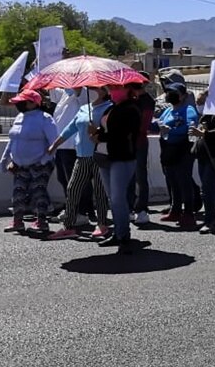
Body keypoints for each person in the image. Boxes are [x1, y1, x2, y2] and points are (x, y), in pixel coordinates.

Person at [46, 86, 112, 240]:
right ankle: (68, 226)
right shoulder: (84, 108)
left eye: (95, 88)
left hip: (99, 155)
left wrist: (96, 130)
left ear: (103, 92)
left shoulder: (109, 109)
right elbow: (70, 129)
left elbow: (110, 130)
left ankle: (102, 224)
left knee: (100, 192)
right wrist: (54, 145)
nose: (92, 90)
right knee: (73, 188)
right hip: (81, 156)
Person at [92, 85, 143, 254]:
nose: (112, 91)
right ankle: (118, 233)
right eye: (111, 89)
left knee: (118, 198)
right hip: (105, 156)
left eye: (116, 89)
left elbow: (122, 134)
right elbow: (107, 129)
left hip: (122, 157)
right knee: (112, 198)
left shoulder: (132, 109)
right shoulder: (112, 108)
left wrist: (100, 136)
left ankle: (124, 236)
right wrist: (97, 131)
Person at [0, 88, 57, 233]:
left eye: (22, 102)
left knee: (39, 191)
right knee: (18, 192)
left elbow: (54, 142)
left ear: (32, 103)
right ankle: (17, 221)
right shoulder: (20, 117)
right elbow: (13, 140)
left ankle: (42, 222)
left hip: (40, 164)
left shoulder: (45, 118)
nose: (18, 104)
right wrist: (6, 159)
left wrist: (44, 161)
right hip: (20, 164)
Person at [157, 82, 199, 229]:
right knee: (172, 180)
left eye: (174, 92)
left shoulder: (188, 110)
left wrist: (171, 131)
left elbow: (190, 126)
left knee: (184, 181)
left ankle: (189, 214)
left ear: (183, 96)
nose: (170, 95)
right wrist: (159, 127)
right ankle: (175, 210)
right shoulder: (168, 110)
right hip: (168, 150)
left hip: (183, 149)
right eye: (168, 92)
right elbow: (157, 122)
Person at [50, 88, 92, 224]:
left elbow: (79, 93)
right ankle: (71, 209)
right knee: (63, 179)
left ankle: (81, 212)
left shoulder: (83, 92)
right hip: (61, 145)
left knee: (75, 182)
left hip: (73, 145)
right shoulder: (64, 94)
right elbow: (52, 89)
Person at [190, 90, 215, 235]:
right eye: (197, 102)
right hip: (204, 158)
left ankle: (211, 221)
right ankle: (210, 219)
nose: (198, 105)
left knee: (208, 190)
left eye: (201, 102)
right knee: (206, 189)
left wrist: (204, 134)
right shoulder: (204, 117)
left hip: (213, 158)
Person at [128, 76, 156, 225]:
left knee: (139, 176)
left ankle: (141, 208)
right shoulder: (142, 100)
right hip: (136, 142)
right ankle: (134, 208)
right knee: (134, 177)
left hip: (137, 142)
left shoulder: (145, 101)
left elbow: (143, 125)